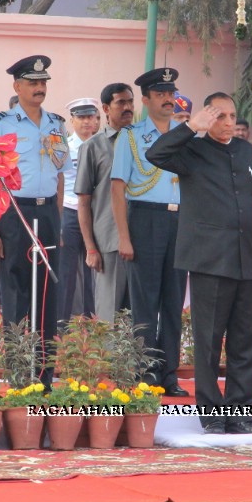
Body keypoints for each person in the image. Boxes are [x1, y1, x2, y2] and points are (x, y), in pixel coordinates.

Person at [147, 93, 252, 435]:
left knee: (246, 341)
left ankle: (243, 413)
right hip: (208, 259)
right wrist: (189, 128)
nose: (228, 123)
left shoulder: (246, 151)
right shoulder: (190, 150)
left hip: (245, 256)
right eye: (220, 116)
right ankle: (211, 414)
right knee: (209, 341)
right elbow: (156, 154)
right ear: (207, 118)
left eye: (232, 116)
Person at [0, 55, 67, 386]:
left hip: (46, 211)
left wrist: (58, 222)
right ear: (17, 86)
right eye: (32, 83)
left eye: (43, 83)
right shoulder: (1, 123)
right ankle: (19, 372)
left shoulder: (55, 124)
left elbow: (61, 175)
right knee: (17, 291)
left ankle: (44, 374)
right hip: (13, 212)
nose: (39, 88)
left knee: (47, 293)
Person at [111, 68, 188, 398]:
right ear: (146, 99)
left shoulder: (186, 135)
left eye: (171, 93)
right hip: (144, 219)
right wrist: (124, 237)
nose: (168, 99)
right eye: (160, 94)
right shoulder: (130, 137)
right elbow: (118, 188)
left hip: (179, 221)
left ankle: (169, 375)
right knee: (144, 303)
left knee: (173, 302)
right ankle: (145, 373)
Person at [76, 83, 134, 322]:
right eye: (121, 102)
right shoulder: (93, 146)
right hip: (108, 241)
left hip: (143, 238)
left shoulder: (142, 141)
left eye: (131, 102)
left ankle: (136, 361)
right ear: (106, 109)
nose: (128, 107)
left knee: (138, 317)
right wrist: (90, 247)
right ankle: (109, 361)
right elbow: (83, 202)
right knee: (109, 315)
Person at [58, 98, 100, 322]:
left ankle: (94, 321)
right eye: (81, 117)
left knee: (96, 271)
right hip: (70, 212)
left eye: (90, 117)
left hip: (97, 214)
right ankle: (61, 324)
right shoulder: (64, 147)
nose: (86, 122)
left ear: (96, 119)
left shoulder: (103, 145)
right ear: (72, 120)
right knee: (66, 271)